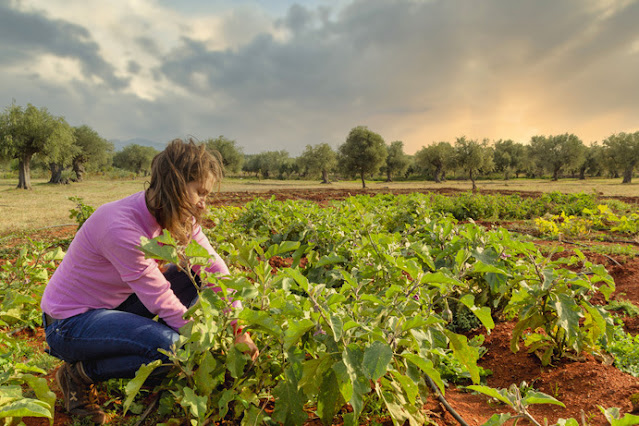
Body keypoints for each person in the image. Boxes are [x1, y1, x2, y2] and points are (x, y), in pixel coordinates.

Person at [41, 139, 257, 424]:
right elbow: (160, 299)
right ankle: (78, 375)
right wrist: (204, 345)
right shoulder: (120, 226)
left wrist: (238, 329)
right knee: (175, 352)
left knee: (194, 274)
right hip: (69, 324)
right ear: (176, 185)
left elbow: (214, 268)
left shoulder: (180, 216)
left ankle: (153, 349)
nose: (205, 203)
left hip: (116, 307)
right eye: (200, 192)